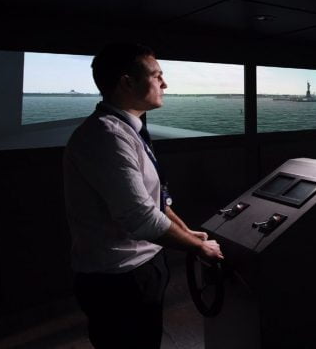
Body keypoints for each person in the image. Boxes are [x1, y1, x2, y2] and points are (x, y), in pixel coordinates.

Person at [63, 43, 224, 349]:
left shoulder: (128, 131)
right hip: (118, 282)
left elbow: (157, 202)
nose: (165, 84)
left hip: (143, 268)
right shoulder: (107, 136)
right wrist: (200, 249)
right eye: (157, 75)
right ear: (127, 82)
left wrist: (187, 233)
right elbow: (141, 217)